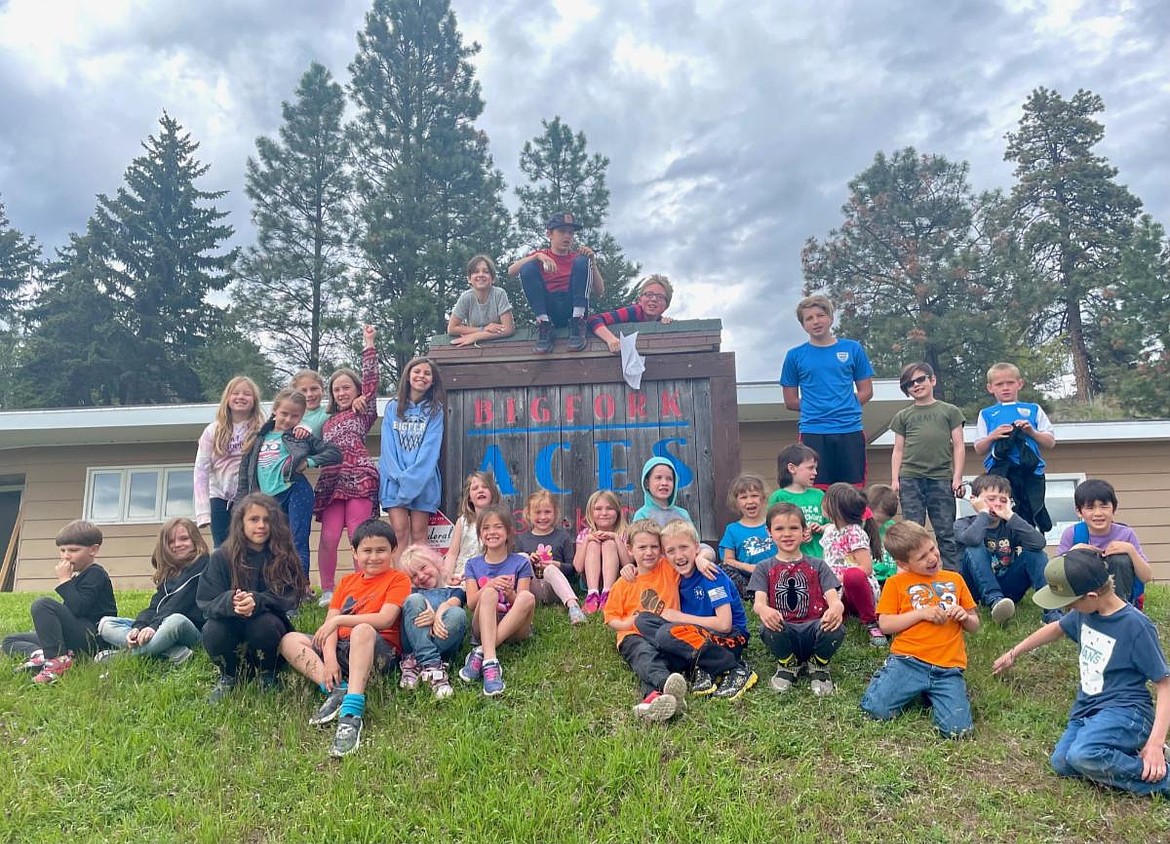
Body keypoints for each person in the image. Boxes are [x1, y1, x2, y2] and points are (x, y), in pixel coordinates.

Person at [992, 547, 1170, 797]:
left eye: (1068, 603)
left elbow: (1165, 683)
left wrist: (1155, 742)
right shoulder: (1085, 612)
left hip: (1126, 710)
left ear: (1091, 596)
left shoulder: (1136, 627)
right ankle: (1128, 752)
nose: (1066, 609)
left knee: (1083, 755)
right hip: (1087, 710)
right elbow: (1056, 628)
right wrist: (1014, 652)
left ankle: (1160, 773)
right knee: (1063, 762)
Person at [280, 519, 409, 758]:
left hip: (377, 650)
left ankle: (351, 712)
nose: (373, 557)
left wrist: (339, 621)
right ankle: (335, 687)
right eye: (367, 551)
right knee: (289, 639)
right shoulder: (347, 582)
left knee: (362, 628)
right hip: (341, 648)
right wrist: (329, 659)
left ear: (393, 551)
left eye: (381, 550)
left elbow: (384, 619)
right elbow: (329, 626)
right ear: (355, 553)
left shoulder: (398, 579)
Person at [861, 521, 980, 738]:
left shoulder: (955, 579)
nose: (932, 558)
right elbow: (885, 624)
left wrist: (965, 617)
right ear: (904, 564)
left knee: (958, 732)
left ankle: (930, 692)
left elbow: (975, 624)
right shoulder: (896, 583)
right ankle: (890, 678)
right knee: (876, 710)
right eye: (922, 557)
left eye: (932, 549)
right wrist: (921, 613)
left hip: (948, 668)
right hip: (909, 661)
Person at [196, 493, 306, 704]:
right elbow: (206, 600)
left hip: (268, 628)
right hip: (230, 626)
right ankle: (231, 675)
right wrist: (231, 602)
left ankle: (267, 673)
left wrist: (258, 601)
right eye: (254, 519)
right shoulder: (221, 556)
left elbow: (289, 597)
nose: (261, 525)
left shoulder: (283, 555)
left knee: (264, 624)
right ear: (241, 523)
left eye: (267, 520)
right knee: (212, 629)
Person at [635, 519, 756, 700]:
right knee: (643, 621)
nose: (678, 556)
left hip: (730, 638)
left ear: (696, 548)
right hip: (696, 635)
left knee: (666, 635)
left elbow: (724, 625)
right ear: (664, 557)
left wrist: (679, 617)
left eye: (684, 547)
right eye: (671, 551)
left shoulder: (710, 574)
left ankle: (734, 668)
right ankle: (700, 667)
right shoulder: (676, 575)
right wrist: (629, 567)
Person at [236, 388, 342, 581]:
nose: (288, 419)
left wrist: (308, 462)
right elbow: (244, 479)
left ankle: (299, 587)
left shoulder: (300, 436)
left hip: (294, 491)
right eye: (284, 414)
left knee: (296, 540)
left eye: (295, 416)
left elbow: (334, 453)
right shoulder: (257, 439)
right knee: (268, 543)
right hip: (265, 500)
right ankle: (272, 585)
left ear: (301, 417)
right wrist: (240, 508)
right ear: (275, 410)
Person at [313, 326, 380, 607]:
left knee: (358, 535)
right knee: (328, 536)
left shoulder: (362, 411)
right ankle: (328, 589)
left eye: (346, 387)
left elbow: (372, 382)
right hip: (332, 480)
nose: (341, 393)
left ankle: (362, 587)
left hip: (358, 477)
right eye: (336, 389)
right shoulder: (325, 422)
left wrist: (368, 343)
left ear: (356, 390)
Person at [3, 520, 117, 684]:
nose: (66, 556)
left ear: (94, 549)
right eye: (62, 550)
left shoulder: (96, 574)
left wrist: (64, 580)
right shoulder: (77, 576)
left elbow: (79, 609)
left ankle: (57, 663)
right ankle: (43, 656)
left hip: (91, 637)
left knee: (43, 604)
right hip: (73, 636)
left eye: (73, 550)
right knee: (10, 641)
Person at [749, 503, 846, 696]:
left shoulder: (818, 565)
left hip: (815, 628)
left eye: (794, 528)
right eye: (779, 529)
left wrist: (836, 607)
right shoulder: (763, 567)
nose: (787, 534)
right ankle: (787, 664)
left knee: (837, 628)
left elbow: (834, 599)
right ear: (769, 532)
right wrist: (764, 610)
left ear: (804, 532)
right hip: (784, 629)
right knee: (766, 627)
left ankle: (818, 665)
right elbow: (758, 604)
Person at [780, 294, 874, 487]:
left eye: (820, 315)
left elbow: (866, 391)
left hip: (850, 430)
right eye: (809, 318)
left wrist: (845, 405)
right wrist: (818, 406)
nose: (816, 321)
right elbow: (790, 400)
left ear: (830, 318)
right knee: (816, 491)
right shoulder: (794, 356)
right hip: (813, 431)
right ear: (803, 324)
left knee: (851, 492)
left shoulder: (852, 348)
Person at [603, 519, 689, 722]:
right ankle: (666, 682)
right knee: (645, 656)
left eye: (654, 547)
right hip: (633, 636)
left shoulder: (667, 568)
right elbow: (611, 617)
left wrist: (703, 558)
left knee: (658, 660)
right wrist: (626, 624)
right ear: (630, 550)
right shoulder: (623, 583)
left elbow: (690, 555)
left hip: (664, 632)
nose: (649, 552)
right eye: (642, 547)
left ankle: (650, 702)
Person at [95, 518, 208, 665]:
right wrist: (139, 627)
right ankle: (172, 651)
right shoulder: (169, 572)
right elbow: (155, 606)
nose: (177, 545)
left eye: (184, 539)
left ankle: (126, 656)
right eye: (171, 541)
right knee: (106, 624)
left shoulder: (203, 566)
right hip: (161, 625)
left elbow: (178, 604)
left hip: (191, 630)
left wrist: (153, 627)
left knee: (176, 620)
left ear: (195, 540)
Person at [889, 362, 965, 571]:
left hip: (941, 478)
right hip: (910, 478)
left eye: (920, 379)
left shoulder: (950, 411)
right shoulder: (903, 416)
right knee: (912, 534)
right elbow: (898, 450)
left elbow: (958, 446)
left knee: (946, 534)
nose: (916, 385)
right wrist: (895, 480)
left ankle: (953, 582)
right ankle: (913, 583)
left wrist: (957, 477)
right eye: (909, 383)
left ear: (932, 380)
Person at [458, 505, 537, 697]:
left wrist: (510, 593)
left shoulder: (520, 562)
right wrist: (489, 585)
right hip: (484, 624)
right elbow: (470, 604)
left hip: (515, 627)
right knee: (489, 593)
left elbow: (522, 603)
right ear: (479, 534)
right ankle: (491, 662)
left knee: (527, 597)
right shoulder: (473, 564)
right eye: (486, 528)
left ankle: (481, 651)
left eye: (498, 527)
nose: (492, 532)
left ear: (508, 532)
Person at [954, 474, 1052, 625]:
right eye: (991, 499)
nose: (997, 504)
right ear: (974, 500)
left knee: (1035, 553)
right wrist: (984, 514)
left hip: (1008, 588)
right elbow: (972, 539)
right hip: (974, 591)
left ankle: (1052, 612)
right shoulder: (962, 524)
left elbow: (1039, 543)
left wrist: (1011, 516)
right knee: (974, 547)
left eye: (1003, 500)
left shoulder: (1010, 526)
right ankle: (994, 601)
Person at [507, 211, 605, 353]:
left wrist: (592, 262)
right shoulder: (542, 256)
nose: (567, 236)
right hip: (550, 310)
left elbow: (600, 291)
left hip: (571, 307)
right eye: (562, 231)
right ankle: (544, 324)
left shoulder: (577, 258)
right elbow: (511, 271)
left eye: (571, 233)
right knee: (527, 267)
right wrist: (537, 256)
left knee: (582, 261)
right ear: (549, 234)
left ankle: (578, 323)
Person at [974, 362, 1056, 532]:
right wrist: (993, 436)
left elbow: (1050, 442)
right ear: (990, 388)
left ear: (1020, 384)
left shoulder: (1033, 409)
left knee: (1030, 513)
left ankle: (1030, 545)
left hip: (1030, 472)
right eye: (999, 384)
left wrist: (1031, 432)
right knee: (1001, 514)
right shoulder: (987, 414)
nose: (1005, 388)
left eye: (1010, 383)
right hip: (1000, 474)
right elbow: (979, 448)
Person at [379, 356, 445, 551]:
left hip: (423, 482)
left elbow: (430, 450)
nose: (421, 376)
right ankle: (400, 581)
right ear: (408, 376)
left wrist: (412, 480)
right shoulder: (393, 407)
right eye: (417, 372)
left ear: (433, 381)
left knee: (419, 535)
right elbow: (388, 448)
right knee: (399, 532)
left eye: (427, 373)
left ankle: (419, 581)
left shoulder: (435, 410)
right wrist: (399, 478)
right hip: (394, 482)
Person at [1055, 478, 1152, 610]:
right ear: (1079, 511)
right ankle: (1083, 612)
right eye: (1090, 507)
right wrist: (1072, 552)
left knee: (1120, 559)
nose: (1098, 513)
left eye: (1104, 506)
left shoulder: (1126, 534)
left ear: (1114, 509)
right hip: (1086, 600)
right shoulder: (1073, 533)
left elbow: (1146, 577)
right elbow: (1056, 574)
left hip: (1120, 597)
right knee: (1076, 560)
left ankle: (1119, 612)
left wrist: (1131, 550)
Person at [194, 376, 264, 548]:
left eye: (247, 394)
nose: (241, 397)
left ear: (254, 400)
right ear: (227, 398)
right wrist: (203, 512)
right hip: (219, 497)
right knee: (223, 548)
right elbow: (201, 471)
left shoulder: (261, 427)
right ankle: (225, 575)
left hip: (251, 495)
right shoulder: (213, 430)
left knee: (251, 545)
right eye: (235, 393)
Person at [819, 482, 887, 646]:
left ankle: (870, 622)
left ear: (837, 509)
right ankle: (836, 617)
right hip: (835, 591)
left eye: (826, 499)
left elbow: (866, 568)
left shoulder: (855, 532)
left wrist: (836, 579)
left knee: (853, 575)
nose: (822, 502)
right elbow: (829, 535)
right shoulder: (830, 530)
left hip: (855, 589)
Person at [397, 544, 467, 700]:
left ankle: (415, 663)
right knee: (414, 600)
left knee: (457, 614)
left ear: (436, 563)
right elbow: (411, 609)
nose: (420, 576)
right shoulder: (412, 593)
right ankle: (433, 666)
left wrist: (436, 615)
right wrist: (424, 604)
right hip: (414, 640)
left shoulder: (455, 589)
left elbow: (453, 603)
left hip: (442, 639)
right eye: (413, 576)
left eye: (423, 567)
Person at [515, 490, 585, 624]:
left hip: (555, 590)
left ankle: (573, 607)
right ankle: (520, 606)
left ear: (555, 513)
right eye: (537, 512)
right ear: (528, 514)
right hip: (531, 589)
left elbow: (572, 569)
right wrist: (529, 561)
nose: (542, 517)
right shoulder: (522, 539)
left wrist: (557, 565)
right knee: (522, 557)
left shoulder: (562, 537)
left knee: (550, 569)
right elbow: (513, 569)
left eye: (547, 512)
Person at [631, 456, 717, 564]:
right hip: (658, 567)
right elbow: (638, 550)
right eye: (658, 478)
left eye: (669, 479)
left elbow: (696, 544)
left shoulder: (682, 513)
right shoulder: (642, 514)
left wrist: (701, 557)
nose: (664, 483)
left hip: (684, 563)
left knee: (707, 551)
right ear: (647, 483)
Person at [573, 489, 632, 614]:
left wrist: (616, 539)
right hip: (589, 582)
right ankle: (592, 596)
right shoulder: (585, 534)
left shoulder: (625, 533)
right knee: (593, 543)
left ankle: (608, 594)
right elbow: (578, 567)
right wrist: (588, 540)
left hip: (617, 581)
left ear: (617, 512)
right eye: (598, 509)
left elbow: (628, 564)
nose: (604, 513)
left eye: (609, 508)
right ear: (590, 512)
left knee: (609, 544)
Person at [717, 473, 775, 600]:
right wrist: (749, 567)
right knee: (723, 568)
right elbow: (727, 560)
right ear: (736, 502)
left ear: (763, 498)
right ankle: (751, 597)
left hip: (775, 574)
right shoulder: (732, 529)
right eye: (743, 497)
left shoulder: (774, 524)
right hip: (748, 578)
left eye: (754, 495)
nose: (749, 501)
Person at [767, 443, 827, 559]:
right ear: (792, 468)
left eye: (815, 468)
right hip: (789, 560)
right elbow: (772, 531)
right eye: (810, 468)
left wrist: (820, 528)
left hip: (820, 559)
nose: (815, 472)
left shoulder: (819, 494)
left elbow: (832, 524)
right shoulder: (778, 497)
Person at [587, 274, 674, 353]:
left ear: (666, 305)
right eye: (649, 294)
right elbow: (594, 319)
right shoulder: (634, 312)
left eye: (660, 297)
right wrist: (610, 339)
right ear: (640, 300)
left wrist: (667, 323)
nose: (654, 299)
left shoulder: (660, 321)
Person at [444, 471, 502, 585]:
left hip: (487, 572)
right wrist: (447, 575)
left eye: (485, 487)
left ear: (493, 493)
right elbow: (452, 553)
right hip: (462, 574)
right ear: (469, 498)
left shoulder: (500, 522)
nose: (480, 490)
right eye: (475, 488)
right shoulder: (463, 522)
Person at [448, 254, 515, 347]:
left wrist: (477, 336)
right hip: (473, 346)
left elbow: (508, 329)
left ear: (493, 278)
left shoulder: (499, 294)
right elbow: (452, 328)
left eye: (486, 272)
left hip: (499, 343)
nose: (481, 275)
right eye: (476, 272)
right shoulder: (466, 297)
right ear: (469, 279)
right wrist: (483, 329)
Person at [865, 484, 899, 585]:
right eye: (877, 521)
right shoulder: (859, 528)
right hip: (870, 579)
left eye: (885, 521)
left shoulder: (892, 527)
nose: (879, 526)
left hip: (891, 579)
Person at [290, 369, 328, 437]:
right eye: (303, 390)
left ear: (322, 390)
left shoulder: (328, 412)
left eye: (314, 389)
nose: (309, 394)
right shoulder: (288, 415)